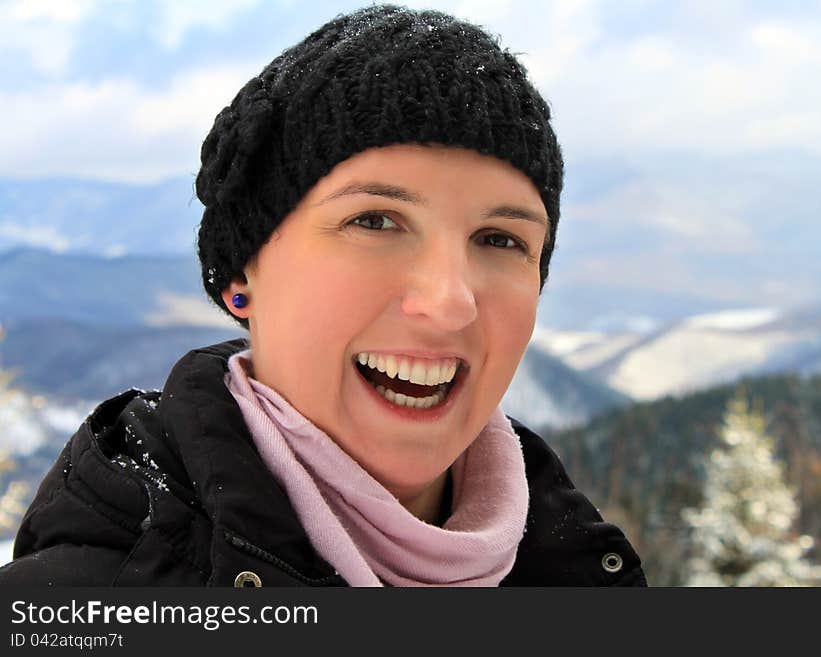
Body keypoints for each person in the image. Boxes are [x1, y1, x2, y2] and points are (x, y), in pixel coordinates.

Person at [0, 5, 646, 587]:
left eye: (500, 239)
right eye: (374, 220)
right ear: (242, 273)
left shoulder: (577, 568)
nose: (451, 301)